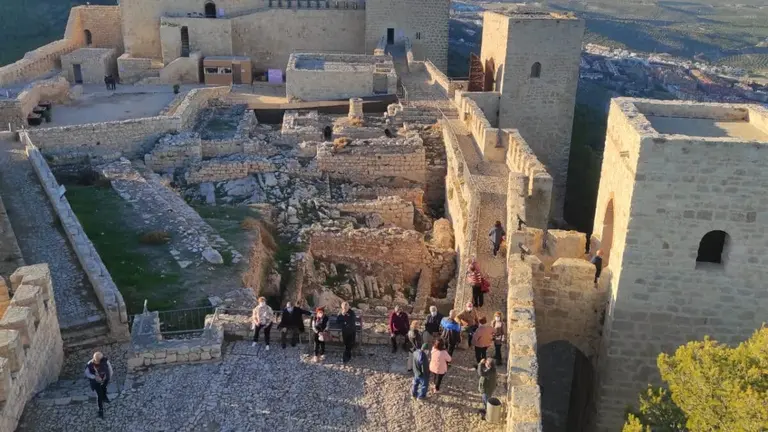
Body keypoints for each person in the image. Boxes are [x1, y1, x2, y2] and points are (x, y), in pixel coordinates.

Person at [84, 351, 113, 418]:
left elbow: (110, 370)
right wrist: (94, 377)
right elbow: (87, 373)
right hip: (96, 382)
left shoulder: (105, 361)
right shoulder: (90, 364)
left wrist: (108, 378)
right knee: (99, 395)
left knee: (104, 388)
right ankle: (100, 409)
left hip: (105, 379)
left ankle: (105, 397)